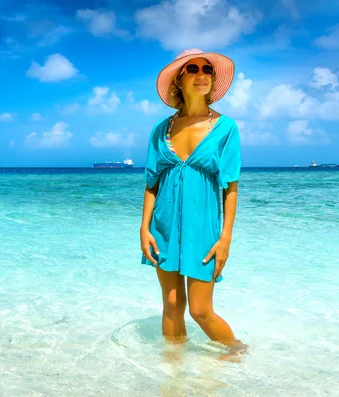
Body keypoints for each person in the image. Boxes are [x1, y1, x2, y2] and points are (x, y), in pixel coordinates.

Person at [139, 48, 244, 352]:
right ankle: (172, 375)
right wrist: (144, 228)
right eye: (193, 69)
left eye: (208, 69)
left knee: (200, 310)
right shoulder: (162, 129)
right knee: (172, 305)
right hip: (163, 228)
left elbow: (231, 187)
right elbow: (151, 184)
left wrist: (225, 238)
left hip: (204, 230)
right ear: (178, 80)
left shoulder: (225, 128)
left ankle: (239, 355)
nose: (202, 75)